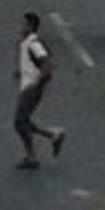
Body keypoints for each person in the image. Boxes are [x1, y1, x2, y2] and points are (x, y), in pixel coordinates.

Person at [14, 12, 66, 170]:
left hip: (31, 88)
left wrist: (38, 82)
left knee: (19, 121)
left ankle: (32, 156)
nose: (20, 27)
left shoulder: (33, 43)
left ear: (30, 26)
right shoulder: (27, 43)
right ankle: (52, 135)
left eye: (23, 24)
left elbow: (46, 63)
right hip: (27, 85)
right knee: (22, 121)